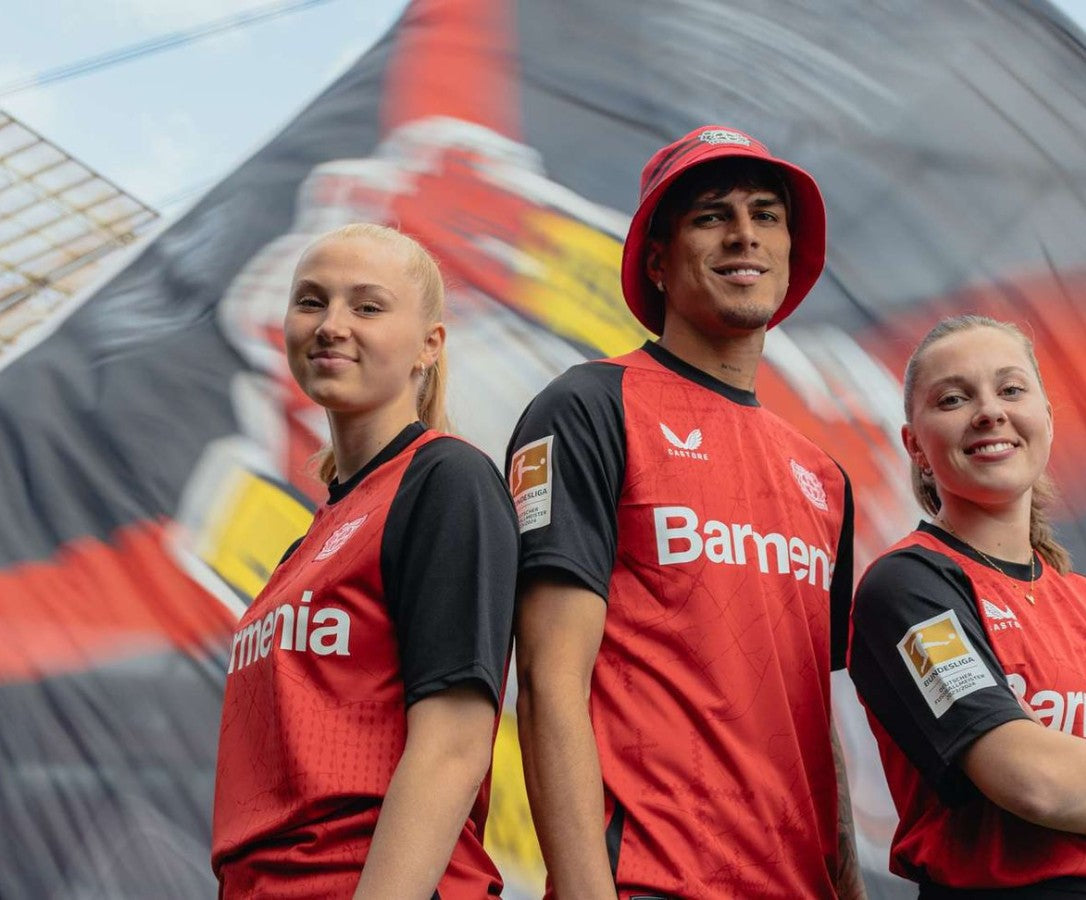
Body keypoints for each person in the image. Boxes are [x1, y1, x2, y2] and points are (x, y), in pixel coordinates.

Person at [507, 125, 866, 899]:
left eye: (767, 214)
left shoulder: (823, 477)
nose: (745, 234)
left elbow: (812, 717)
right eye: (711, 215)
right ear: (659, 262)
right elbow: (546, 677)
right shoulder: (590, 406)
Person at [848, 315, 1086, 898]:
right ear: (916, 447)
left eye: (1011, 390)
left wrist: (1069, 793)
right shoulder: (908, 586)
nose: (989, 412)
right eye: (954, 399)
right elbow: (1032, 783)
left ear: (1047, 421)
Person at [211, 223, 517, 899]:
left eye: (367, 306)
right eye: (311, 301)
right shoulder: (308, 542)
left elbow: (453, 746)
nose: (331, 325)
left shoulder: (446, 480)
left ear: (428, 345)